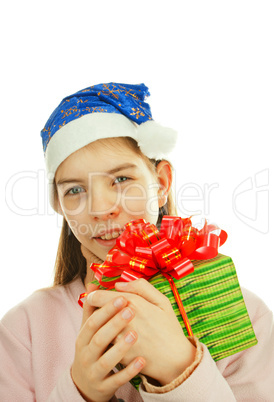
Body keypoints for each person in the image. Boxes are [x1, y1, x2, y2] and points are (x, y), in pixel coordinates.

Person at [0, 82, 273, 402]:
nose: (101, 209)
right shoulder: (23, 331)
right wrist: (78, 391)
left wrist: (180, 371)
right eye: (74, 190)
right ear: (58, 205)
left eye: (121, 179)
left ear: (161, 183)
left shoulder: (246, 312)